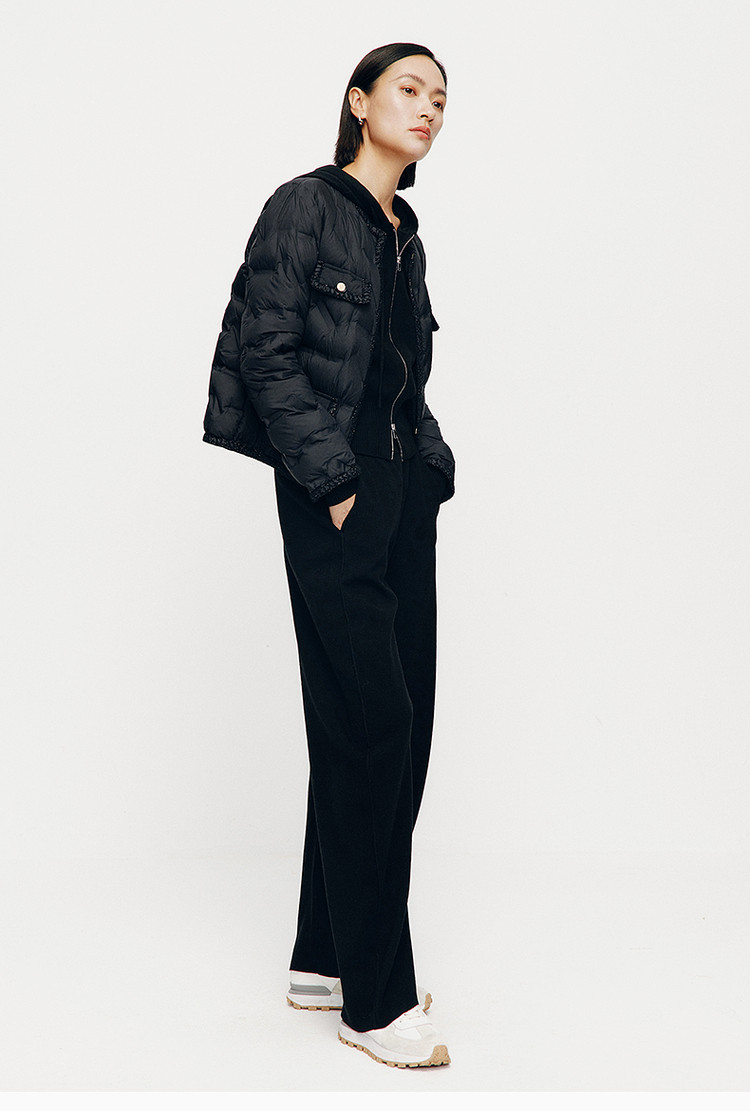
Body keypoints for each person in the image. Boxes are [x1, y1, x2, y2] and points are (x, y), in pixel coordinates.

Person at [202, 42, 455, 1069]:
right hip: (334, 494)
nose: (428, 108)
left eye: (441, 98)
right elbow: (264, 350)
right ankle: (375, 996)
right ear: (358, 102)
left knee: (402, 722)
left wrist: (428, 467)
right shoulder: (304, 205)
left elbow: (402, 373)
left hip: (400, 496)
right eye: (410, 89)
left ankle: (324, 955)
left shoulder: (404, 233)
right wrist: (336, 482)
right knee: (370, 725)